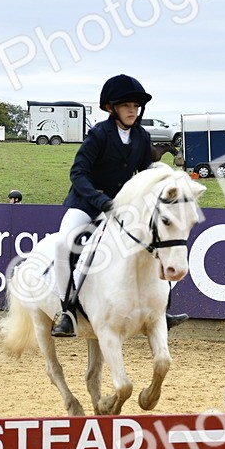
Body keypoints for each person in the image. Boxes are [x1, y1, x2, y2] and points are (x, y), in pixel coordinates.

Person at [50, 74, 189, 338]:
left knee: (155, 243)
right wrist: (101, 200)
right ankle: (66, 310)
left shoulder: (141, 135)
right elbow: (78, 174)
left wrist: (163, 178)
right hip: (87, 203)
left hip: (123, 207)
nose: (132, 110)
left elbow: (145, 168)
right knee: (63, 244)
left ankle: (161, 309)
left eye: (136, 106)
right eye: (126, 105)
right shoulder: (98, 134)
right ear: (110, 108)